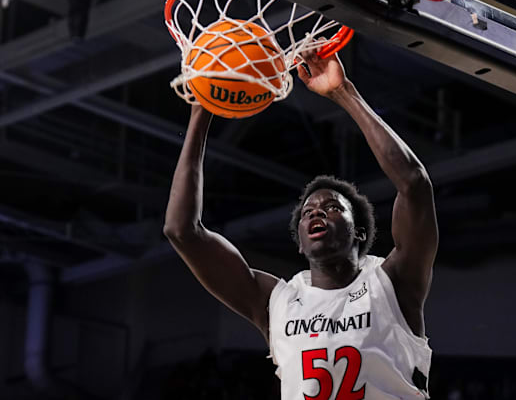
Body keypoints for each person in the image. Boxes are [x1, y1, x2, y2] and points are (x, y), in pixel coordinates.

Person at [164, 49, 438, 399]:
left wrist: (343, 93)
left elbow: (414, 184)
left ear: (361, 233)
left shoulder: (394, 283)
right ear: (300, 243)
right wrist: (202, 109)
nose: (316, 213)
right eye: (308, 211)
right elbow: (181, 231)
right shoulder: (277, 302)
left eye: (332, 208)